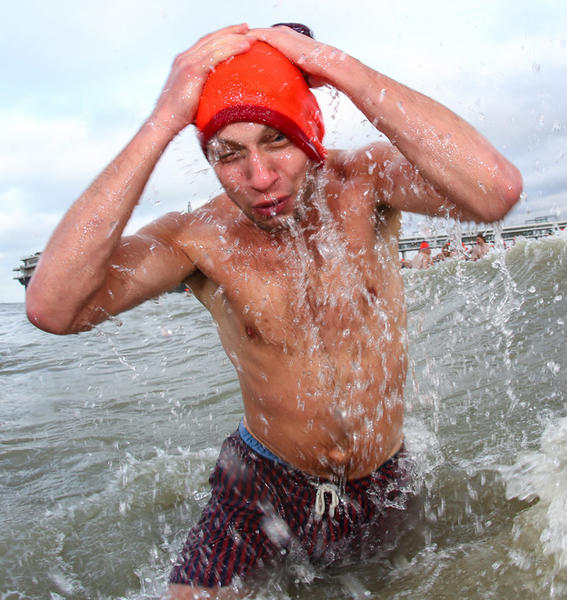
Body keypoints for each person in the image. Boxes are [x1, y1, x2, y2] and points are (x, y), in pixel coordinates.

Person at [25, 23, 522, 598]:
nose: (260, 179)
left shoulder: (365, 182)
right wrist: (164, 119)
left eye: (277, 141)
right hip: (263, 478)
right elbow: (52, 308)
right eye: (229, 154)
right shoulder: (198, 238)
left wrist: (336, 67)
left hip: (383, 477)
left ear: (309, 130)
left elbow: (495, 191)